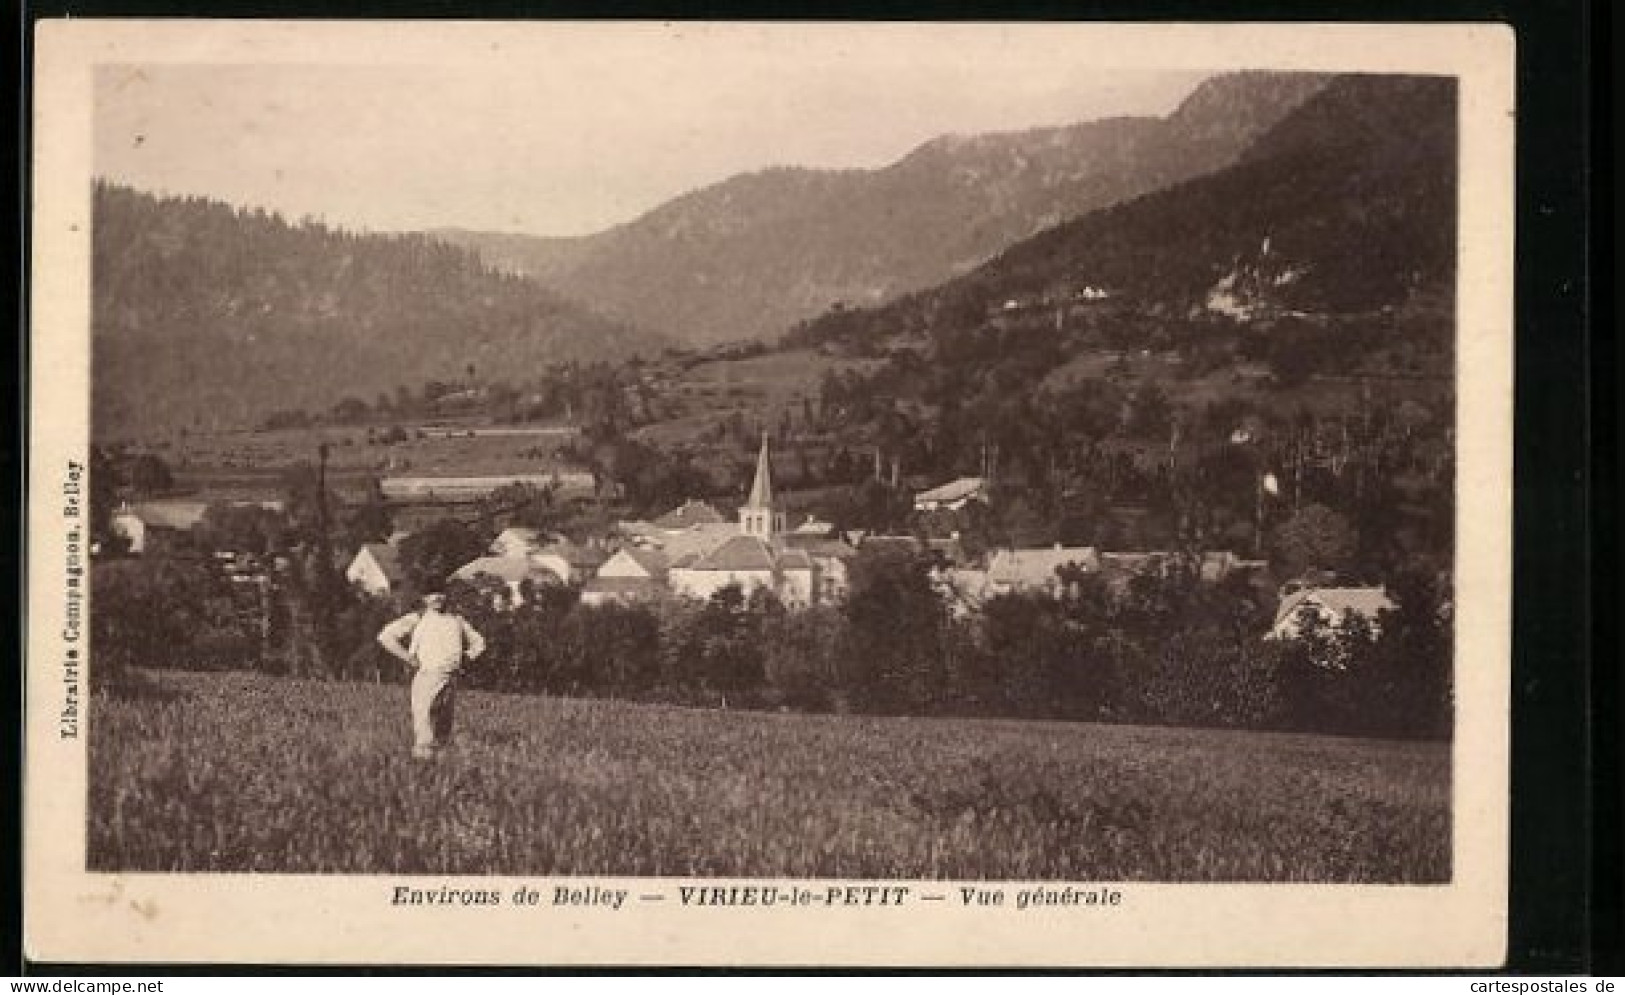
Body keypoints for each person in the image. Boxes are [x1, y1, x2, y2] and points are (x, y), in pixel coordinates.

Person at [377, 590, 486, 760]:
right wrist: (408, 658)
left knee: (443, 728)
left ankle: (441, 770)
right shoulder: (418, 618)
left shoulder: (456, 620)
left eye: (441, 593)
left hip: (450, 679)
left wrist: (466, 657)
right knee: (424, 727)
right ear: (424, 598)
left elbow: (479, 642)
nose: (437, 598)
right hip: (427, 677)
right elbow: (386, 636)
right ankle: (422, 767)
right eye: (431, 594)